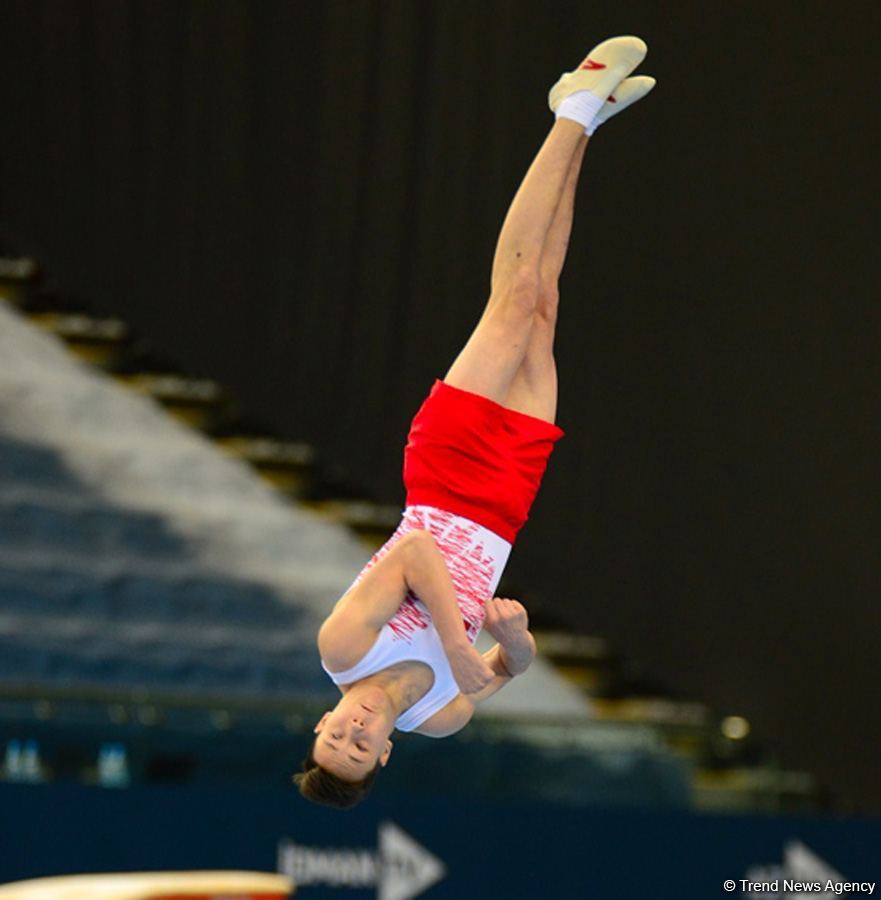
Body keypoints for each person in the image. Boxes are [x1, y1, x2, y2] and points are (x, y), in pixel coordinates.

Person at [295, 35, 655, 809]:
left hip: (445, 473)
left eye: (334, 735)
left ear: (322, 720)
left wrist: (461, 642)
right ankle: (584, 126)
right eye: (360, 747)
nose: (352, 730)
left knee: (515, 294)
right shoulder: (442, 717)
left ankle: (574, 107)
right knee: (547, 305)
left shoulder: (342, 649)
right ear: (385, 756)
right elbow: (507, 667)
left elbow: (417, 551)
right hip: (502, 508)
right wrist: (512, 637)